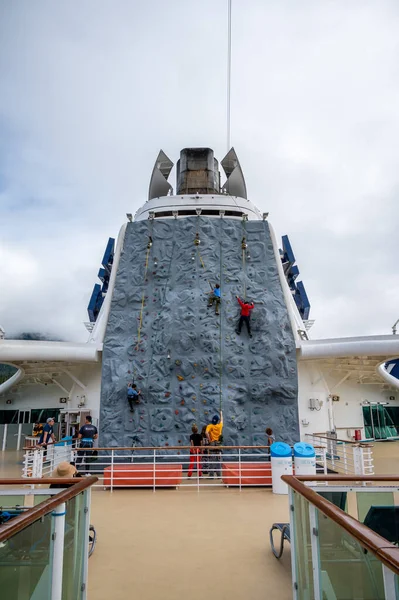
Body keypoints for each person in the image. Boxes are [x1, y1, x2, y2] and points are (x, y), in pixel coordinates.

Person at [206, 411, 223, 478]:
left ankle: (211, 475)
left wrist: (209, 439)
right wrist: (221, 414)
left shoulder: (209, 426)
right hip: (218, 443)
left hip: (212, 443)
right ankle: (219, 475)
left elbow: (206, 433)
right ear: (217, 421)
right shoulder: (220, 426)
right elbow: (222, 420)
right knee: (218, 458)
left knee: (212, 458)